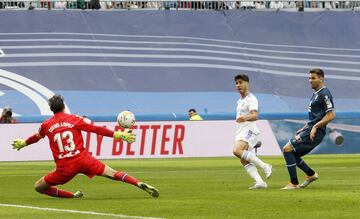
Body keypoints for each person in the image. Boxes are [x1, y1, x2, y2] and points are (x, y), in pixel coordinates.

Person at [11, 94, 159, 198]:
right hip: (83, 159)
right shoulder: (75, 119)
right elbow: (96, 129)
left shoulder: (46, 125)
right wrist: (119, 135)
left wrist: (23, 143)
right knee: (113, 173)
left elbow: (36, 138)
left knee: (39, 187)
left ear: (52, 109)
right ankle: (138, 183)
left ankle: (72, 196)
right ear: (64, 106)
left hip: (65, 168)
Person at [281, 68, 336, 190]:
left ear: (321, 78)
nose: (310, 80)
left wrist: (315, 127)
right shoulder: (316, 94)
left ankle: (293, 183)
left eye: (313, 78)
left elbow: (331, 115)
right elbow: (315, 117)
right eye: (309, 78)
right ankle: (311, 174)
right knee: (292, 153)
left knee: (287, 149)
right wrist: (304, 127)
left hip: (316, 131)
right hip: (310, 129)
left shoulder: (324, 93)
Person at [232, 74, 272, 189]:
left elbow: (255, 115)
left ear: (247, 83)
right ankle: (260, 182)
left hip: (249, 129)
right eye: (236, 83)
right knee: (243, 159)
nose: (238, 85)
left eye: (241, 82)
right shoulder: (239, 101)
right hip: (241, 130)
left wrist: (243, 118)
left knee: (236, 150)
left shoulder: (251, 99)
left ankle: (265, 166)